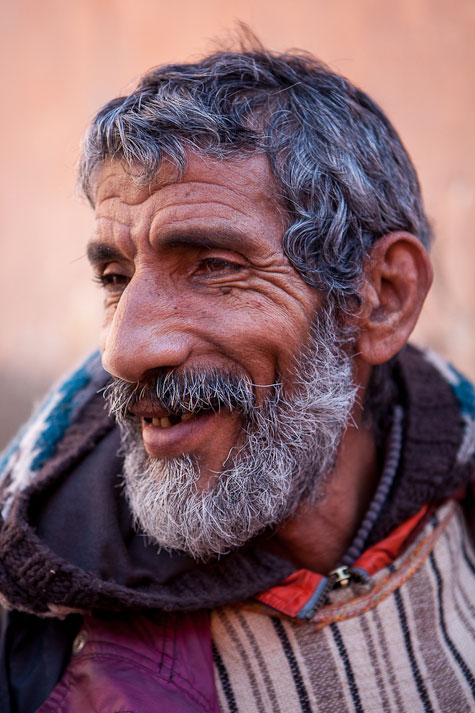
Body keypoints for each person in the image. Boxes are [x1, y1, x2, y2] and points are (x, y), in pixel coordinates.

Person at [0, 38, 474, 713]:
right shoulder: (45, 642)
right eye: (114, 277)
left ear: (381, 296)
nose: (125, 349)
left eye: (214, 266)